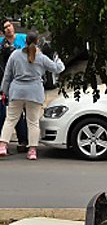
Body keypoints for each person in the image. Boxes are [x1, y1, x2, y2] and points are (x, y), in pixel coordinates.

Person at [0, 31, 63, 160]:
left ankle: (2, 146)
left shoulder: (15, 55)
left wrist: (4, 91)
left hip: (17, 91)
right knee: (33, 122)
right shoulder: (41, 57)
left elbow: (7, 76)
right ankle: (32, 150)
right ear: (37, 41)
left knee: (10, 120)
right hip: (34, 92)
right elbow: (57, 68)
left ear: (25, 41)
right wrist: (58, 59)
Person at [0, 19, 29, 150]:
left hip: (25, 79)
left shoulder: (23, 39)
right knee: (12, 113)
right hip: (9, 81)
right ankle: (20, 140)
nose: (9, 29)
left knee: (27, 112)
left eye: (10, 26)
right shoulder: (1, 44)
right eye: (5, 27)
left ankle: (26, 140)